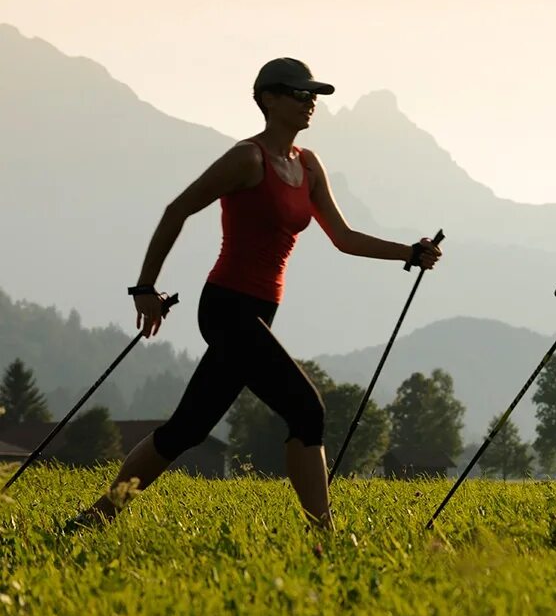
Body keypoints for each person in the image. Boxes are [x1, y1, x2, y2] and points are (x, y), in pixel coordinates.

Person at [74, 58, 441, 530]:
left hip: (261, 311)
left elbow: (344, 237)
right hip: (227, 306)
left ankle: (98, 516)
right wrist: (144, 287)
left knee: (187, 428)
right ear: (269, 98)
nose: (311, 102)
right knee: (307, 409)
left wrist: (409, 252)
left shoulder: (308, 165)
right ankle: (324, 535)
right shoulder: (247, 159)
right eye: (299, 93)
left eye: (314, 95)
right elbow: (177, 209)